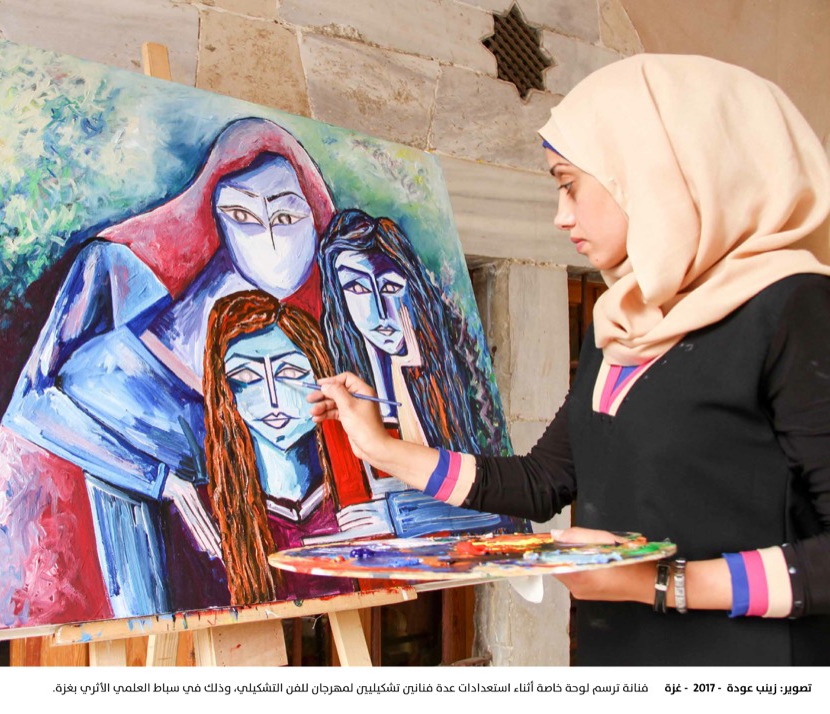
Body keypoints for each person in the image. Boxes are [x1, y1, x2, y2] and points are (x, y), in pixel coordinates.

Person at [307, 54, 830, 666]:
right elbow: (540, 483)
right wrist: (381, 448)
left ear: (654, 172)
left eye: (569, 183)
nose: (561, 215)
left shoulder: (795, 309)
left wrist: (661, 584)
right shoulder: (621, 325)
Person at [0, 118, 344, 647]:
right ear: (211, 211)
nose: (270, 235)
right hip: (40, 543)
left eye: (287, 214)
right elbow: (30, 404)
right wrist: (157, 478)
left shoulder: (287, 347)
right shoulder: (115, 270)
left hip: (181, 570)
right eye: (243, 213)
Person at [317, 209, 523, 538]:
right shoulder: (338, 402)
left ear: (412, 289)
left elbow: (502, 506)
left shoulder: (454, 378)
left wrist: (397, 516)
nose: (378, 311)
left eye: (389, 286)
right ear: (338, 297)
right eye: (356, 288)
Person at [202, 290, 359, 605]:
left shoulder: (359, 499)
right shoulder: (213, 518)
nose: (272, 398)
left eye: (290, 372)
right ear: (224, 390)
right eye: (246, 376)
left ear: (321, 375)